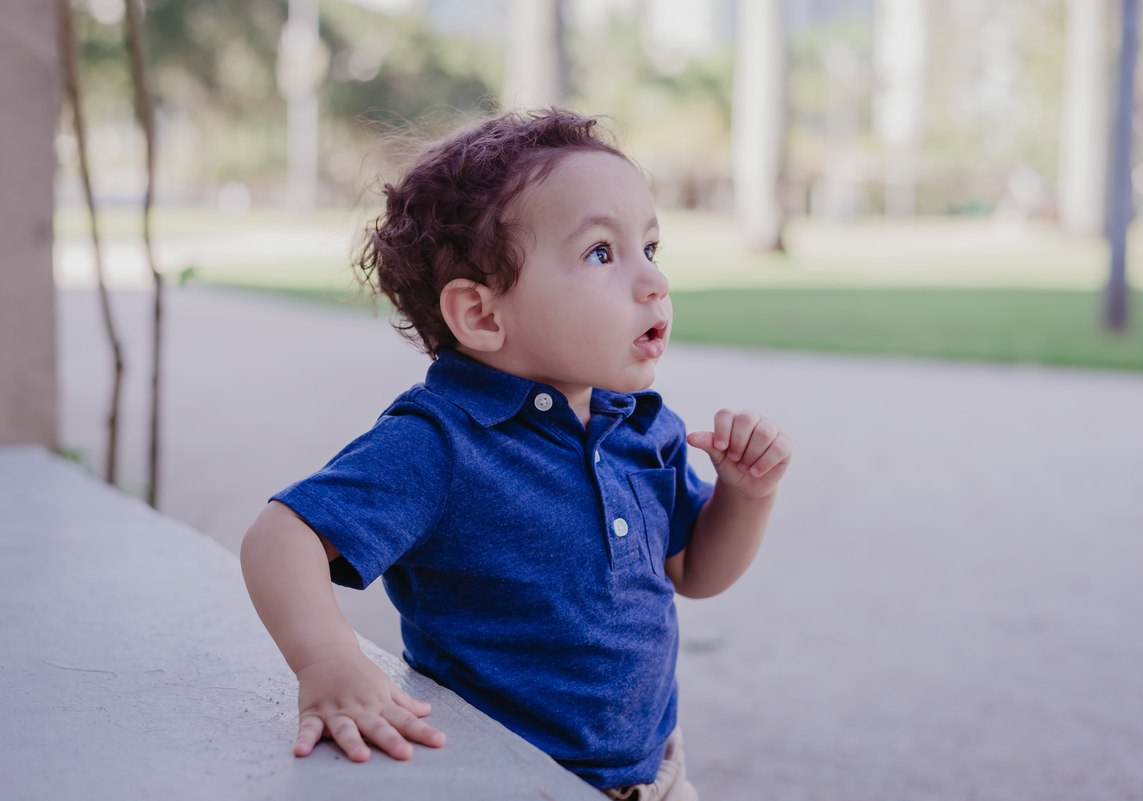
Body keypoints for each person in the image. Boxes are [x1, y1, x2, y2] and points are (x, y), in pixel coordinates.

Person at [240, 109, 792, 801]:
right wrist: (328, 660)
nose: (655, 283)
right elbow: (279, 536)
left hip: (657, 775)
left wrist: (746, 494)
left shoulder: (644, 426)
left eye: (651, 247)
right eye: (601, 252)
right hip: (503, 778)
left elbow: (694, 570)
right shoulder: (441, 440)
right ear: (481, 314)